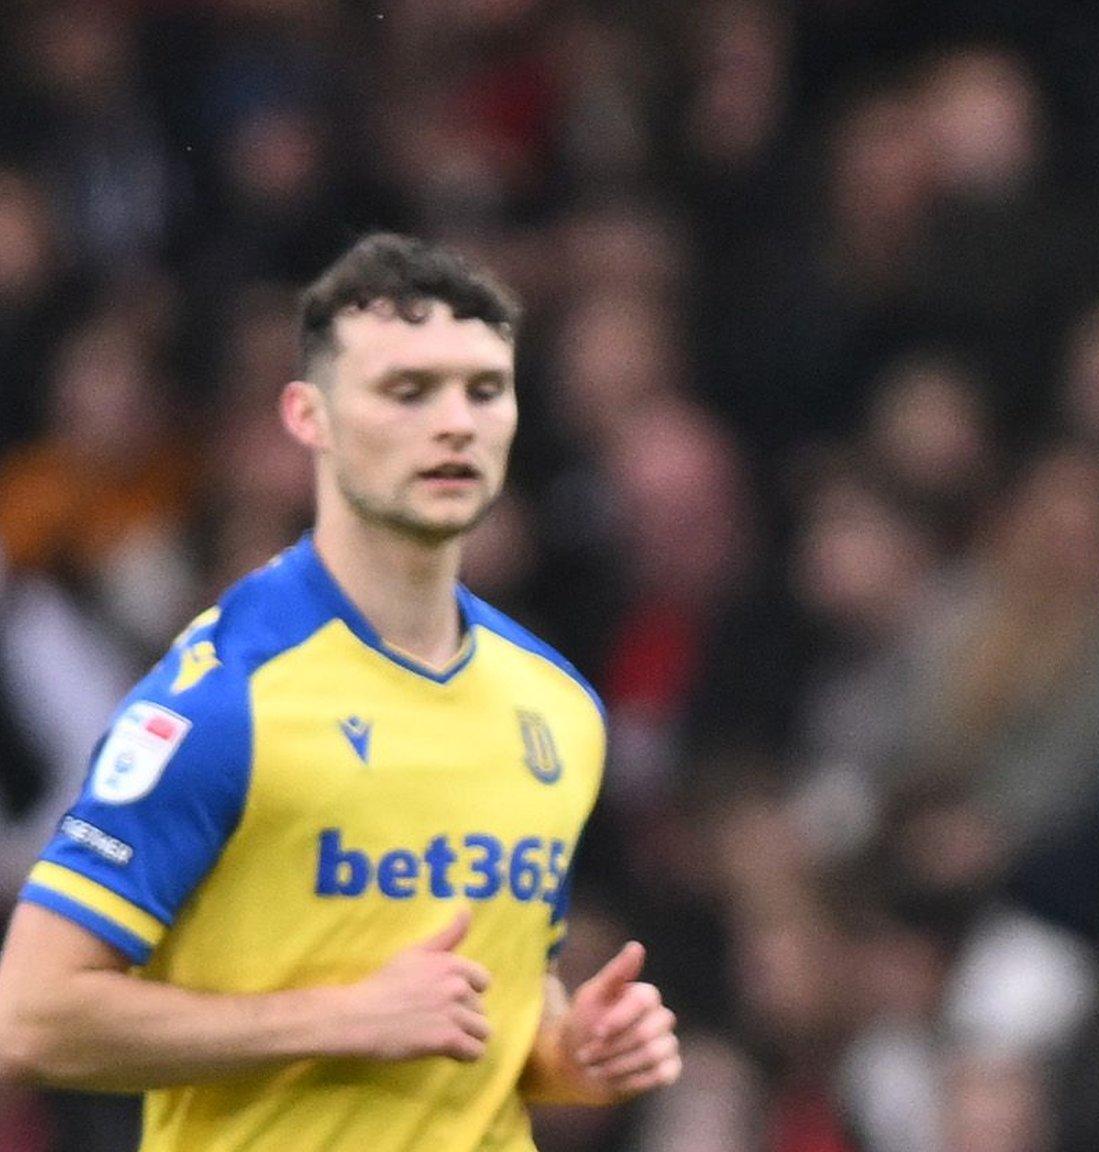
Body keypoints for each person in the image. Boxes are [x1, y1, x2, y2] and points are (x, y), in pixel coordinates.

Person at [0, 234, 682, 1150]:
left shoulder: (557, 705)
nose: (455, 423)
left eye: (485, 389)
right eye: (408, 391)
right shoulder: (225, 698)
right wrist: (343, 1020)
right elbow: (29, 1020)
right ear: (308, 417)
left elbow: (487, 1007)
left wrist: (566, 1054)